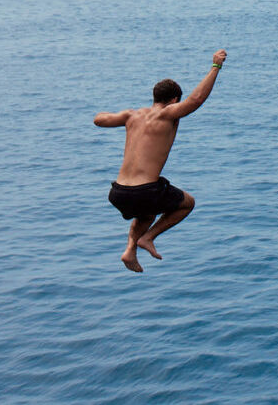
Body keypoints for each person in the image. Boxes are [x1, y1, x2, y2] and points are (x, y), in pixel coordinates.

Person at [94, 49, 227, 272]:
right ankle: (148, 238)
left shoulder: (131, 115)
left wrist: (126, 115)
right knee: (188, 203)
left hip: (118, 192)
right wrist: (215, 67)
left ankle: (129, 251)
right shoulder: (167, 114)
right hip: (145, 190)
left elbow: (99, 120)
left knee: (146, 212)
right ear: (174, 100)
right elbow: (197, 99)